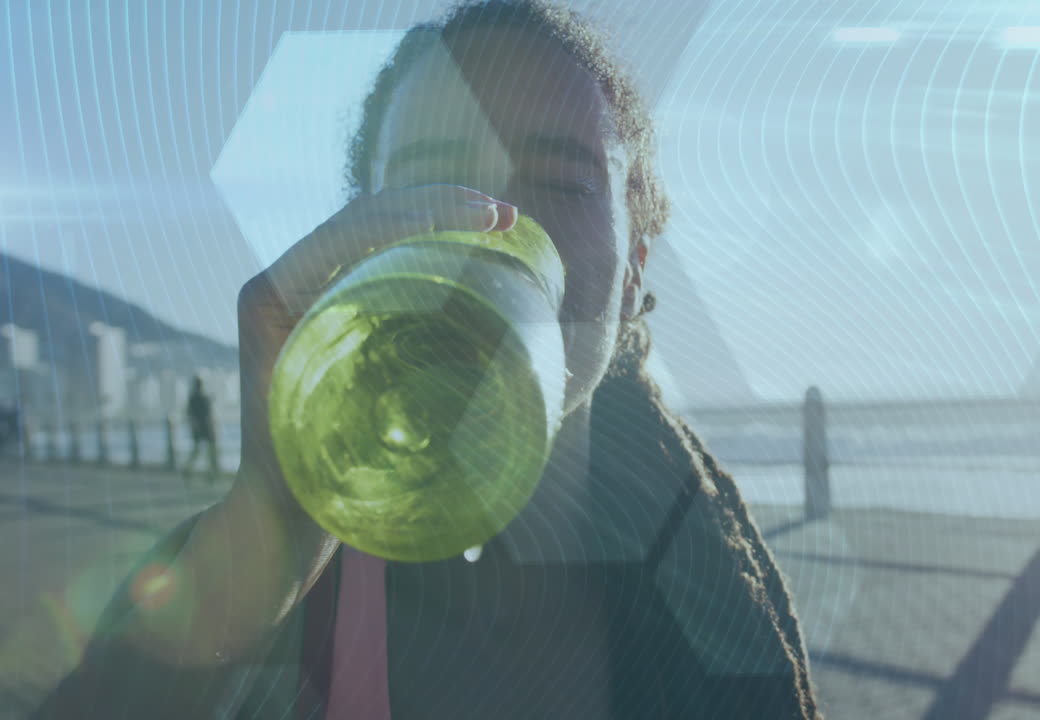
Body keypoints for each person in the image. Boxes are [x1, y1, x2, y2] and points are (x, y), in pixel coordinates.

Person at [35, 2, 821, 718]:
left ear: (636, 268)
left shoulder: (710, 600)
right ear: (362, 236)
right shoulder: (257, 580)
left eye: (562, 181)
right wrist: (268, 526)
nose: (499, 223)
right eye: (434, 181)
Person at [181, 375, 219, 483]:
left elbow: (190, 415)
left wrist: (194, 426)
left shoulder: (195, 397)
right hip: (206, 428)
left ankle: (189, 470)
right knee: (210, 451)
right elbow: (208, 415)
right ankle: (211, 473)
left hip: (201, 428)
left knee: (198, 450)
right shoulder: (201, 398)